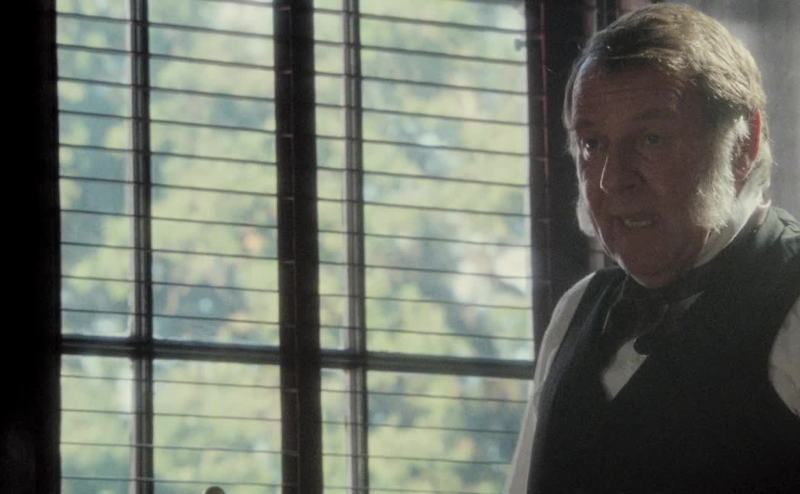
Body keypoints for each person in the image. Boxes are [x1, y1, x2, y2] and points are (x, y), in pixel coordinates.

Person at [506, 4, 800, 493]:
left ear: (743, 145)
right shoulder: (576, 311)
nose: (612, 179)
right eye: (592, 144)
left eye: (652, 139)